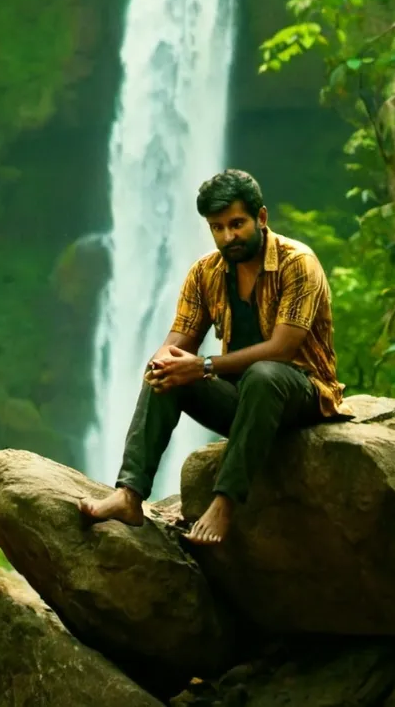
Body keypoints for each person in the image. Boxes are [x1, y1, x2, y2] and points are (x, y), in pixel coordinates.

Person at [80, 169, 346, 545]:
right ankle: (129, 494)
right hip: (243, 403)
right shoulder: (206, 272)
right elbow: (179, 339)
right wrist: (164, 362)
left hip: (302, 396)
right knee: (166, 371)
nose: (228, 236)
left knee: (264, 374)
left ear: (262, 218)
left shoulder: (297, 263)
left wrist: (203, 365)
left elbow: (283, 349)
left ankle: (223, 504)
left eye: (237, 224)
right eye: (217, 227)